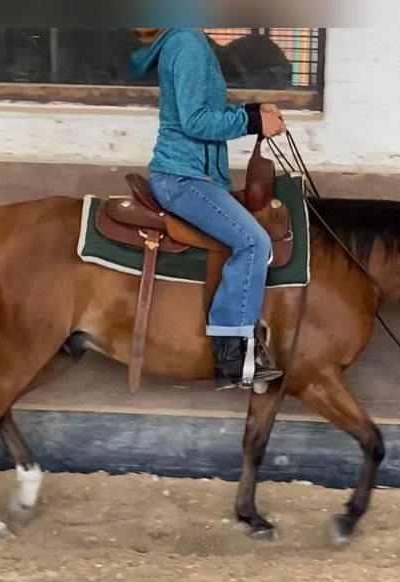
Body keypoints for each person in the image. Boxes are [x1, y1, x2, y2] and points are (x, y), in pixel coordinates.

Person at [131, 28, 288, 389]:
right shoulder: (186, 42)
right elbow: (194, 120)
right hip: (184, 178)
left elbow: (208, 110)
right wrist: (252, 123)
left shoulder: (190, 39)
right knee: (254, 242)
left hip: (198, 175)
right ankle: (231, 355)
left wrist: (251, 111)